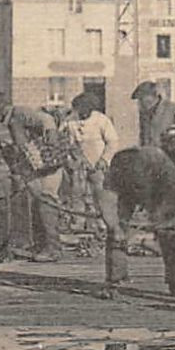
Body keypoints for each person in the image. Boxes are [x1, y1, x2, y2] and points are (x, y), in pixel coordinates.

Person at [100, 138, 175, 300]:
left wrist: (159, 222)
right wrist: (115, 228)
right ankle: (114, 280)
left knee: (169, 234)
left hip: (161, 190)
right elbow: (106, 202)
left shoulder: (166, 172)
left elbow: (171, 205)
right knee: (116, 231)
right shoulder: (117, 170)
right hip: (129, 184)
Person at [0, 93, 69, 263]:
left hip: (48, 163)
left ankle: (53, 248)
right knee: (38, 204)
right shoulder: (11, 121)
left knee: (46, 202)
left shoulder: (19, 113)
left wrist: (51, 136)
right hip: (35, 166)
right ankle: (42, 244)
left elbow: (46, 119)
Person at [65, 91, 120, 258]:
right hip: (79, 165)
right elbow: (67, 142)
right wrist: (74, 160)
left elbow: (113, 142)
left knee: (100, 197)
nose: (81, 113)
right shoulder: (70, 121)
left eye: (83, 110)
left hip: (99, 166)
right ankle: (80, 230)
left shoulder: (101, 120)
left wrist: (104, 160)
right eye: (78, 110)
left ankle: (102, 228)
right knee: (78, 196)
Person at [132, 81, 175, 149]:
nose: (140, 103)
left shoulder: (172, 109)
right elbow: (143, 139)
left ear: (151, 96)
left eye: (142, 99)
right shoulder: (144, 114)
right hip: (150, 156)